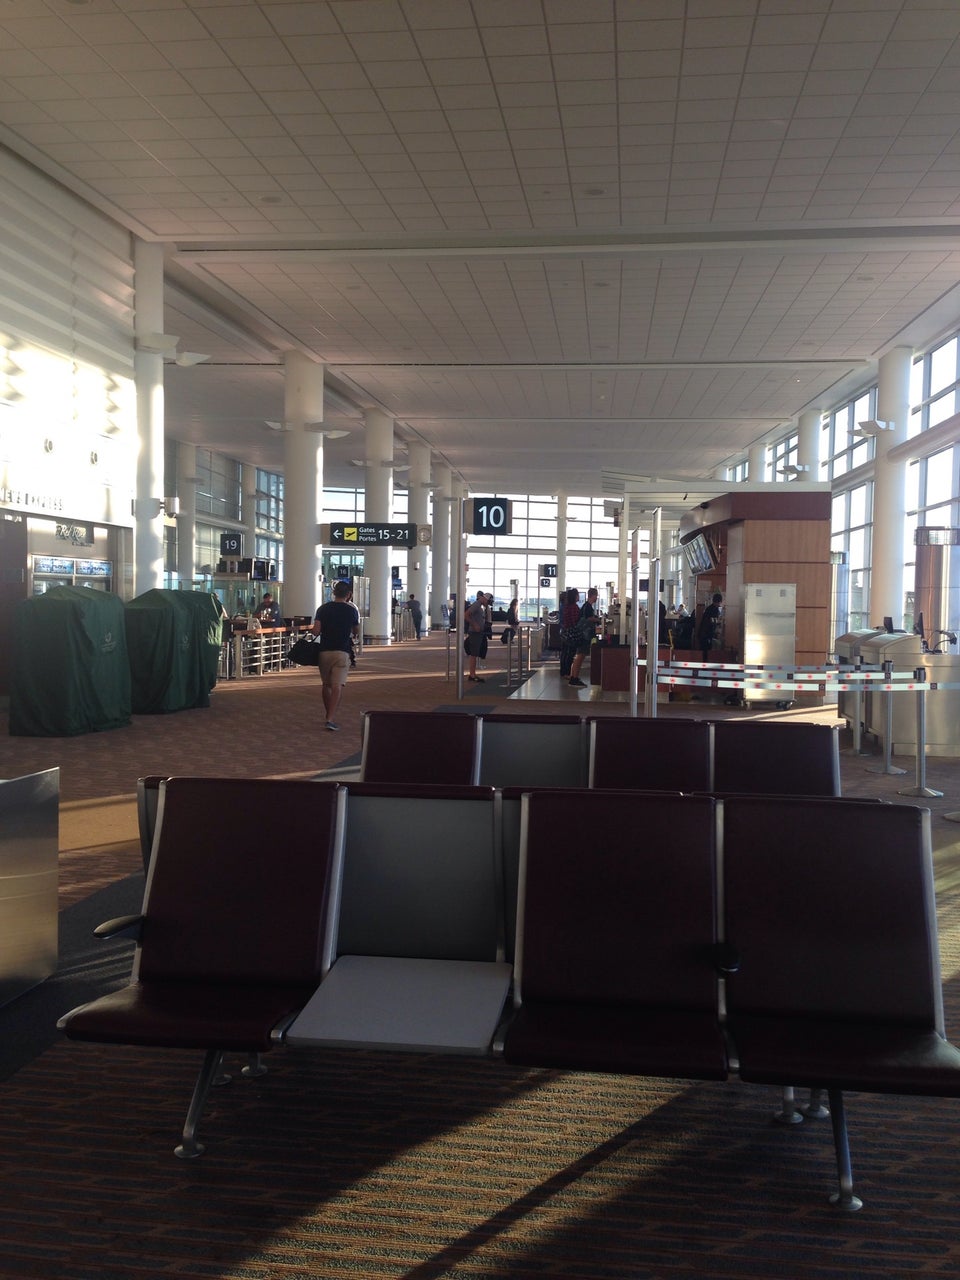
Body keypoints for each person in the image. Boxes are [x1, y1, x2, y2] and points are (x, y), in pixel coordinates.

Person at [311, 580, 360, 731]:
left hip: (324, 651)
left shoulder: (322, 609)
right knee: (337, 685)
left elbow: (316, 631)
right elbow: (356, 631)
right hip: (342, 651)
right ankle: (330, 718)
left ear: (333, 593)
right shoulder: (351, 611)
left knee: (326, 684)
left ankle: (328, 714)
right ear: (349, 595)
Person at [568, 586, 602, 686]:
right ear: (593, 595)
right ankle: (574, 678)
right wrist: (598, 620)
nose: (597, 598)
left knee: (579, 656)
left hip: (583, 635)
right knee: (580, 656)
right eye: (596, 596)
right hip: (584, 636)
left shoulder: (586, 606)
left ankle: (573, 677)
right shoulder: (587, 607)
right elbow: (588, 618)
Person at [558, 588, 581, 678]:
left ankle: (563, 671)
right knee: (570, 653)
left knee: (564, 652)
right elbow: (575, 621)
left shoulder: (566, 607)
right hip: (571, 633)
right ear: (575, 597)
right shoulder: (574, 607)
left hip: (565, 632)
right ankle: (567, 672)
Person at [464, 593, 487, 682]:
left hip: (477, 632)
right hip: (474, 632)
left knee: (475, 653)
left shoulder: (479, 606)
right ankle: (472, 675)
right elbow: (466, 615)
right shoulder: (476, 605)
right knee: (474, 654)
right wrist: (474, 625)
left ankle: (472, 674)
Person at [698, 592, 724, 662]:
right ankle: (705, 667)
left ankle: (704, 666)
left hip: (703, 633)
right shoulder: (714, 610)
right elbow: (713, 621)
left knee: (704, 652)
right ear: (719, 601)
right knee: (706, 652)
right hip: (707, 634)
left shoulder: (709, 608)